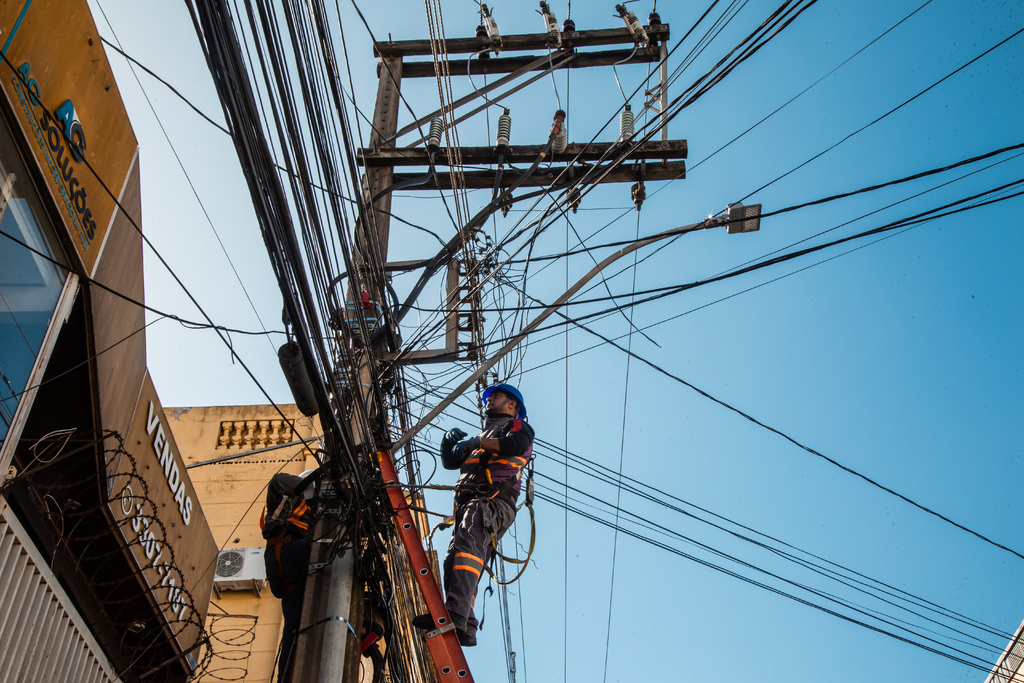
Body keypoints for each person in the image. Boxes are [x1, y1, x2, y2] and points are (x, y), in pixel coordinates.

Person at [415, 384, 534, 647]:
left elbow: (515, 444)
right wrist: (448, 445)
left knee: (467, 549)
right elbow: (451, 462)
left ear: (512, 404)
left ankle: (455, 613)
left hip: (492, 501)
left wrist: (476, 442)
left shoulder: (517, 427)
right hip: (474, 504)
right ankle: (465, 622)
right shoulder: (485, 436)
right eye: (489, 397)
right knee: (455, 558)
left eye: (496, 396)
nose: (489, 399)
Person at [261, 470, 318, 682]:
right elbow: (278, 480)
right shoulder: (287, 496)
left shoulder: (321, 519)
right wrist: (315, 489)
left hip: (291, 576)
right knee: (327, 558)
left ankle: (287, 677)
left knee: (294, 627)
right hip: (285, 553)